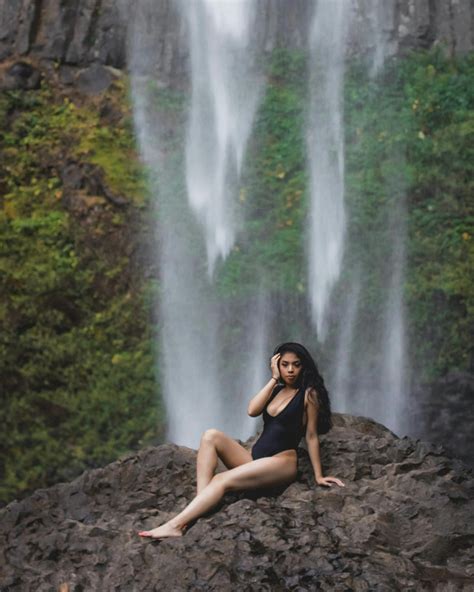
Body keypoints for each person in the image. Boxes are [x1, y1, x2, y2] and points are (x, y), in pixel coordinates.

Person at [138, 342, 344, 539]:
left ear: (303, 366)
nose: (290, 370)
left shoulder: (309, 394)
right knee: (210, 435)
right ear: (276, 365)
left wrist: (318, 476)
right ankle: (201, 503)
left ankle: (175, 526)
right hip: (255, 461)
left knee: (220, 479)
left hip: (282, 463)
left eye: (296, 365)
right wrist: (273, 379)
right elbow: (252, 410)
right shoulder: (276, 389)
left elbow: (311, 435)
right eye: (285, 364)